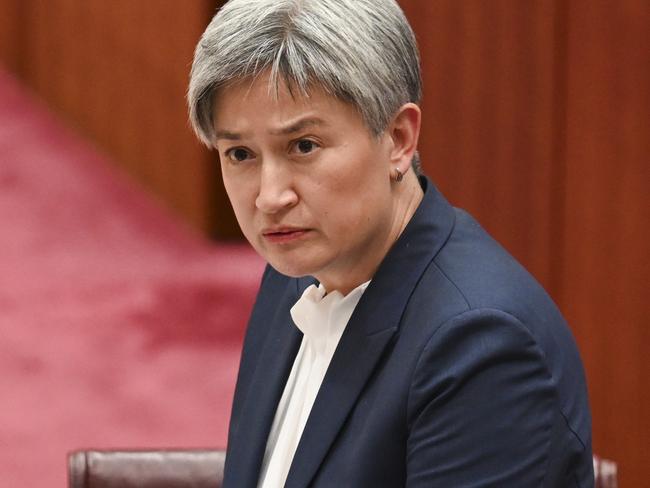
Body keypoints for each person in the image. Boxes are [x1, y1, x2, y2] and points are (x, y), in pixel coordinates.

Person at [187, 0, 593, 486]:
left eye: (304, 146)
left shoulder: (482, 348)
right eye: (240, 154)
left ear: (398, 139)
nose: (271, 197)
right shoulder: (295, 270)